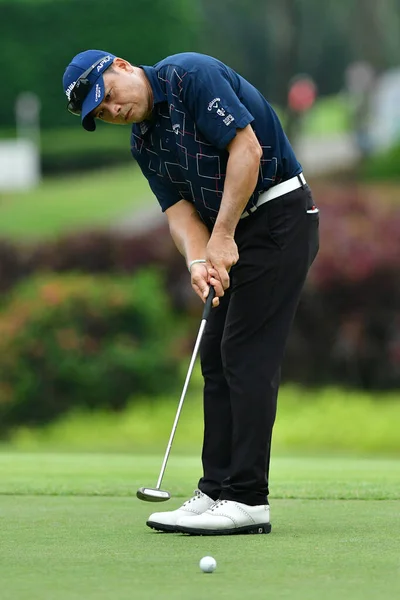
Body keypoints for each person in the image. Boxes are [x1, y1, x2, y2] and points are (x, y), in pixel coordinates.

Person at [63, 49, 319, 536]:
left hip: (279, 215)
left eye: (109, 99)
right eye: (101, 114)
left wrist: (221, 236)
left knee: (245, 354)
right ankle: (216, 489)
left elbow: (248, 151)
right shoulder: (144, 143)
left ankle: (248, 498)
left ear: (120, 66)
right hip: (235, 231)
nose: (113, 112)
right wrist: (199, 261)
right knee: (217, 360)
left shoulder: (189, 75)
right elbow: (179, 214)